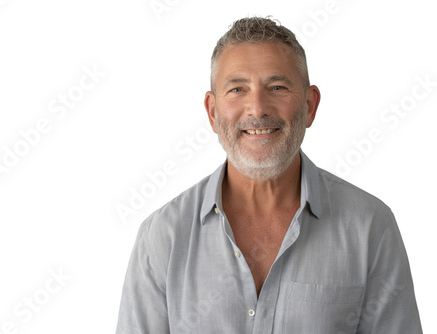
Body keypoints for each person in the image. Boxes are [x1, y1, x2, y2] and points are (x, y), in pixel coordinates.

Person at [116, 16, 422, 333]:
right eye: (237, 89)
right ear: (212, 111)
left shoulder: (370, 226)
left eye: (277, 87)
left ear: (310, 105)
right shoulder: (163, 236)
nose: (258, 108)